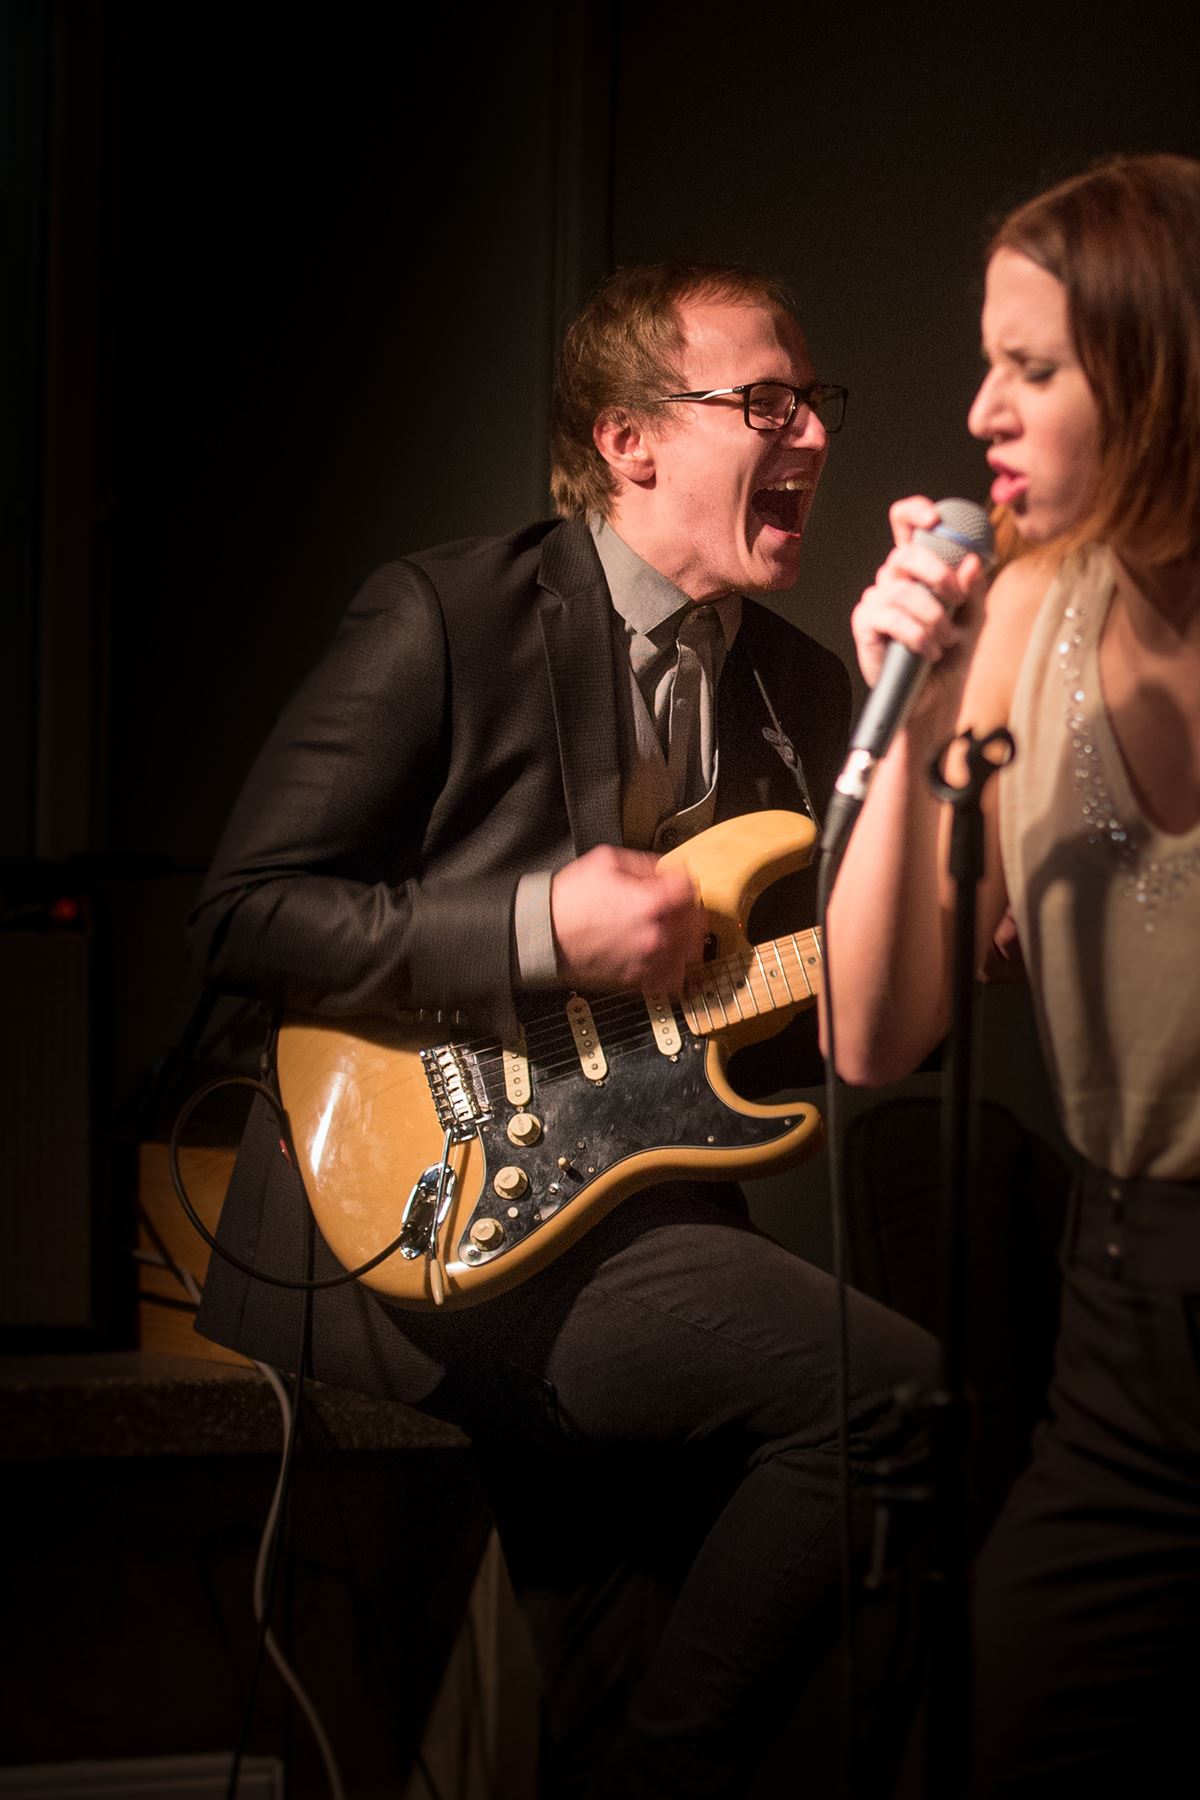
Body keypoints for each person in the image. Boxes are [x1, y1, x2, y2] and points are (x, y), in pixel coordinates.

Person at [187, 260, 935, 1798]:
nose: (811, 433)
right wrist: (539, 927)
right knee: (884, 1393)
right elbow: (244, 915)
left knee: (618, 1673)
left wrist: (936, 941)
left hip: (628, 1213)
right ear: (628, 441)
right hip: (409, 1213)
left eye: (816, 402)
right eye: (765, 401)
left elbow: (806, 1031)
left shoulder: (800, 695)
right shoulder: (448, 613)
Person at [826, 154, 1200, 1794]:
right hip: (1128, 1333)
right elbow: (872, 1030)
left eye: (1031, 369)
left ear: (1162, 369)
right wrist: (923, 715)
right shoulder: (1027, 615)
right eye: (990, 363)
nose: (981, 411)